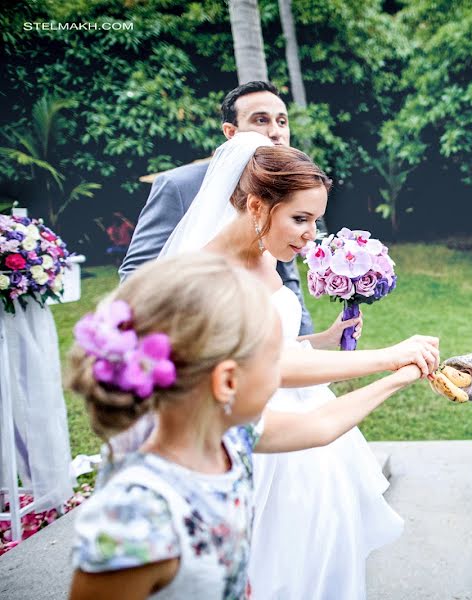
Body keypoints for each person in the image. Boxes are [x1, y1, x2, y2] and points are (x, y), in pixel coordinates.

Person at [156, 130, 434, 598]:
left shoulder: (264, 257)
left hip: (308, 425)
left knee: (325, 551)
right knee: (278, 566)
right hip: (264, 431)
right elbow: (270, 366)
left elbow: (277, 344)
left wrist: (321, 339)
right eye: (301, 218)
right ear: (257, 206)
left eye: (316, 220)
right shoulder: (208, 280)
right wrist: (390, 359)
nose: (310, 236)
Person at [67, 253, 432, 599]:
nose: (287, 370)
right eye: (275, 358)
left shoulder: (230, 441)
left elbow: (320, 424)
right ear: (227, 381)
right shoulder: (132, 519)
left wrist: (399, 376)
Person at [119, 80, 317, 336]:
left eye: (282, 121)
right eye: (261, 120)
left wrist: (303, 337)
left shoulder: (284, 190)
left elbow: (286, 274)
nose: (276, 131)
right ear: (231, 132)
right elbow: (136, 273)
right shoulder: (178, 185)